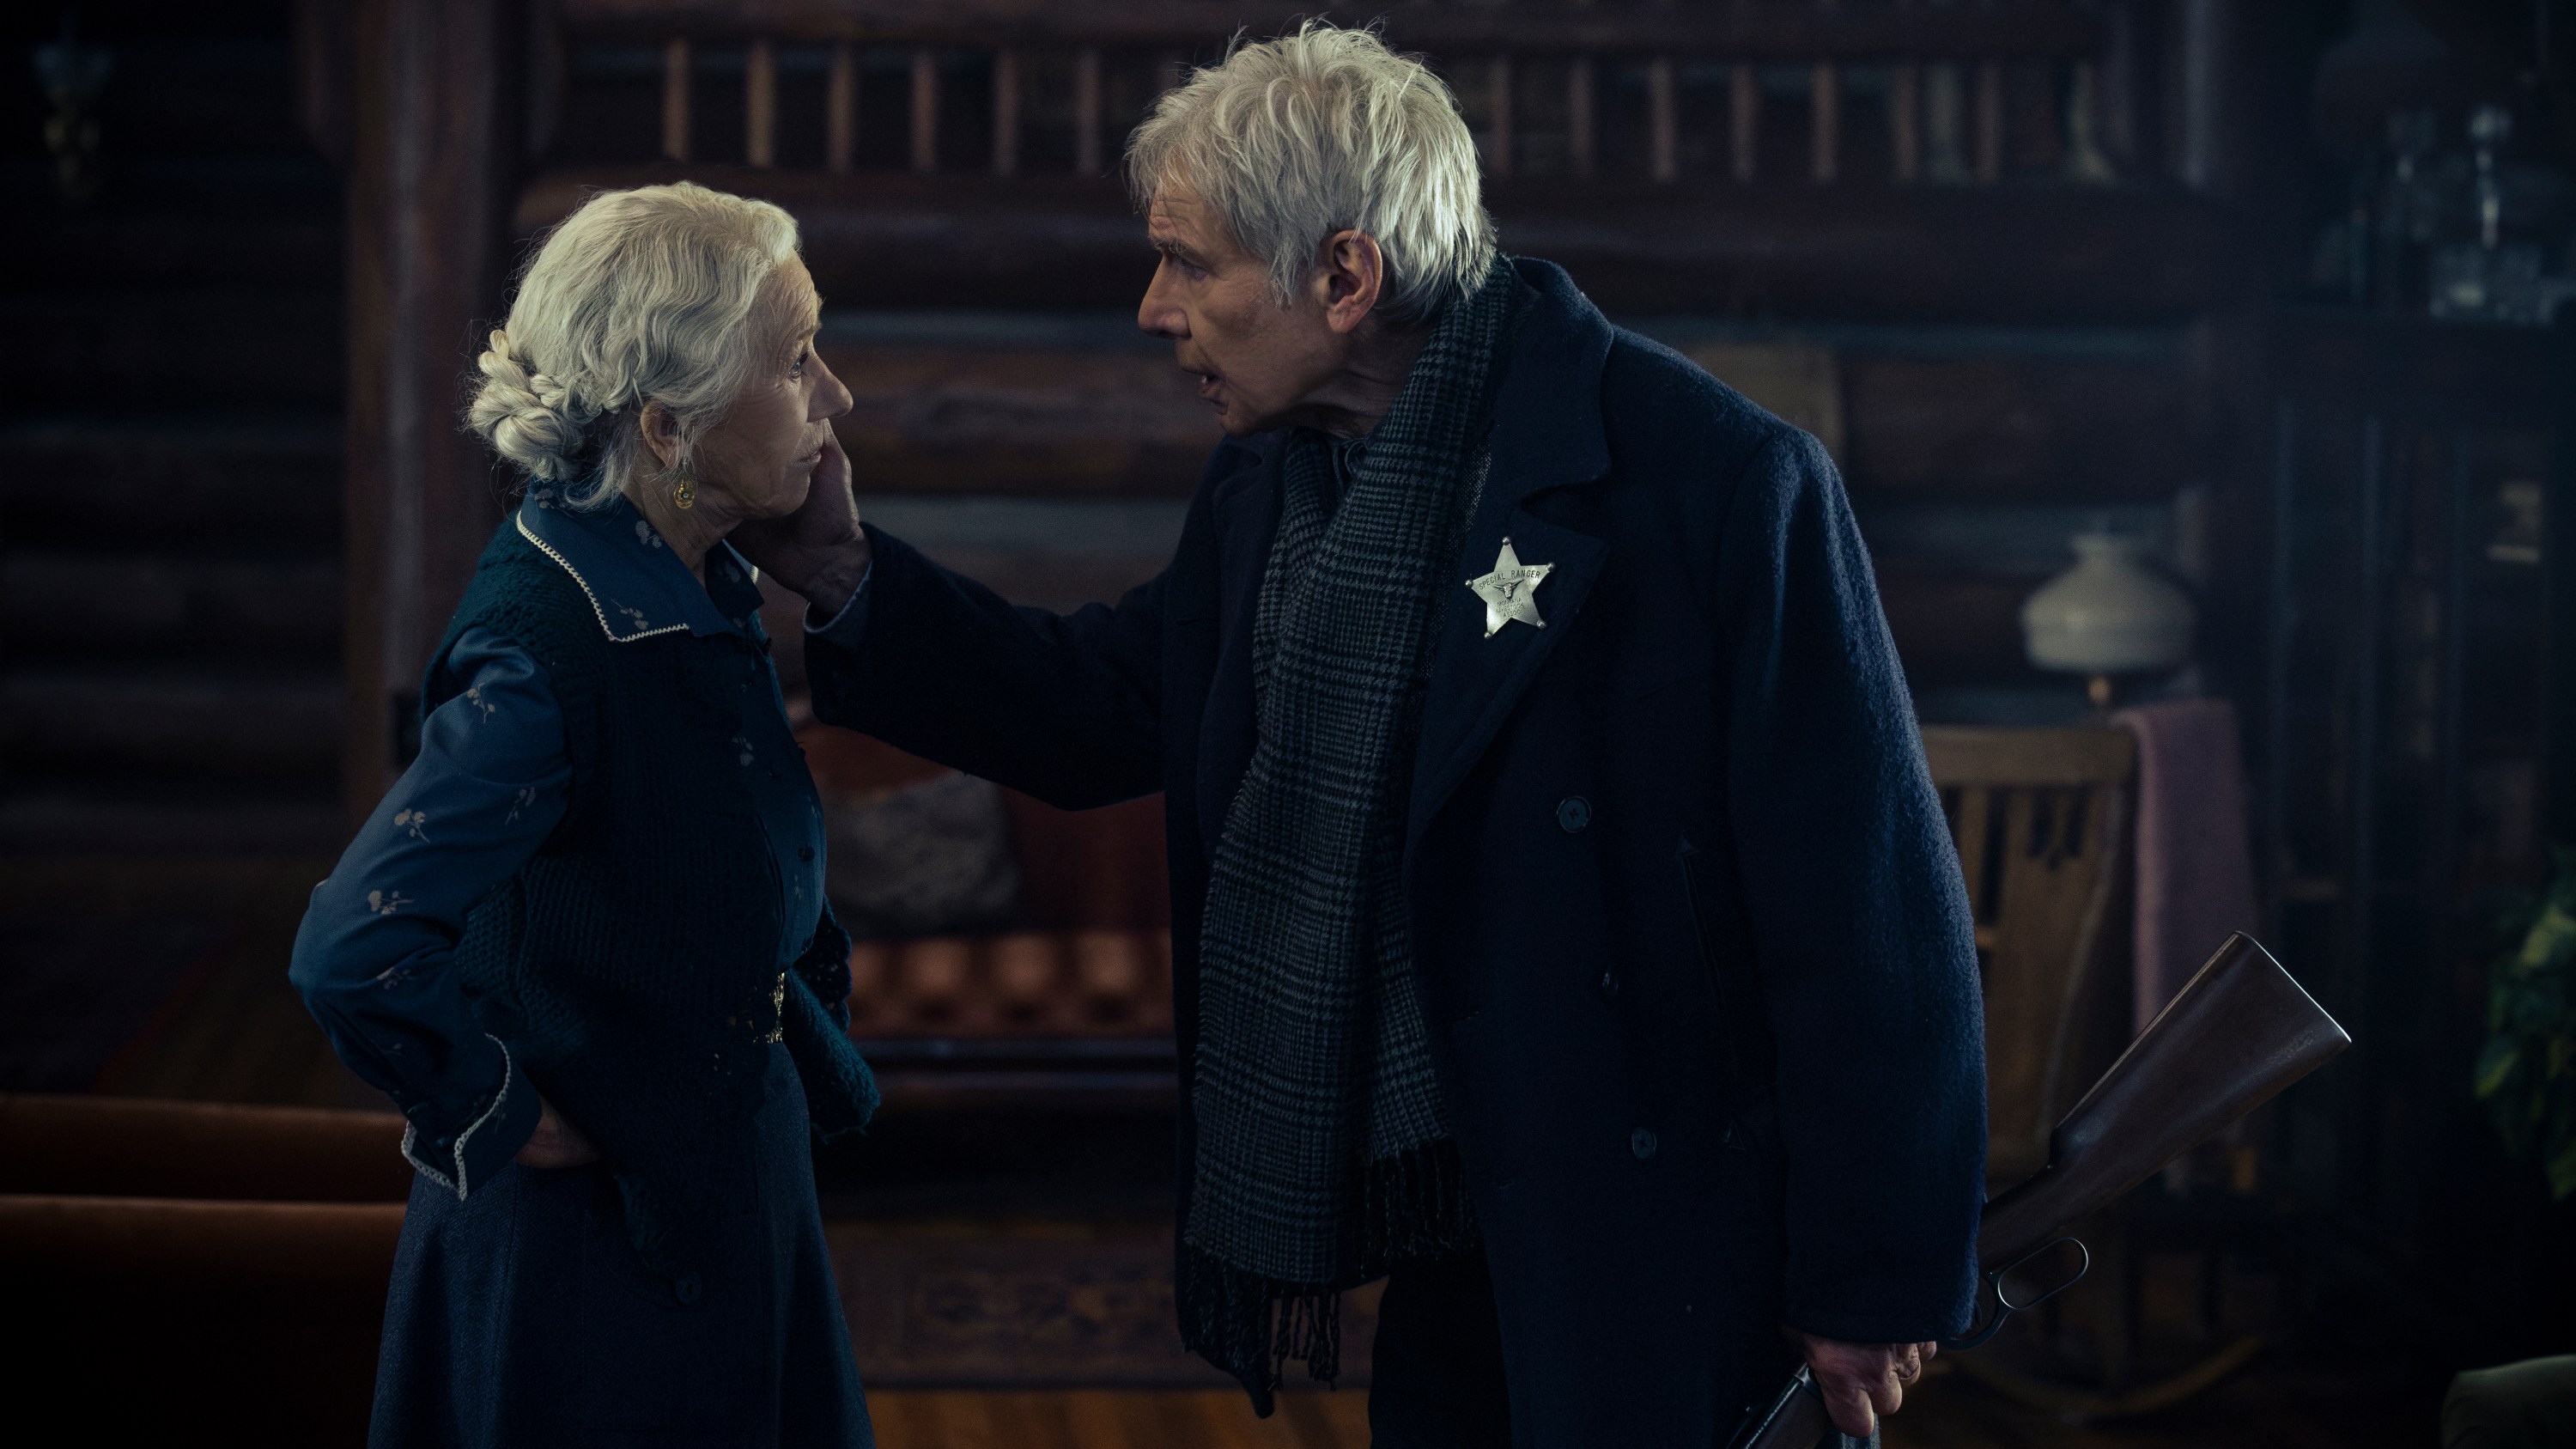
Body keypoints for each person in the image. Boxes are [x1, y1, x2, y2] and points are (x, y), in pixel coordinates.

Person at [743, 25, 1987, 1448]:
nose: (1156, 310)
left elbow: (1867, 908)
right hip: (1442, 1202)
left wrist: (1871, 1277)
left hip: (1661, 1222)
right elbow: (1106, 706)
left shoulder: (1717, 482)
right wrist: (843, 576)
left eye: (1190, 263)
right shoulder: (1274, 483)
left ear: (1345, 276)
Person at [289, 181, 879, 1448]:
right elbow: (353, 947)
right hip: (593, 1248)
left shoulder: (694, 572)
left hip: (720, 1167)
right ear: (669, 428)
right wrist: (498, 1107)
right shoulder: (549, 642)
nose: (835, 397)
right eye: (794, 362)